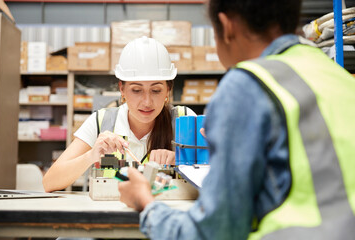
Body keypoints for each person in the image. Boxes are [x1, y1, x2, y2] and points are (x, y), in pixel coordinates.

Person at [118, 0, 355, 239]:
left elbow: (211, 232)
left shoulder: (247, 85)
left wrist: (146, 204)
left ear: (226, 26)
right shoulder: (338, 76)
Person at [43, 37, 196, 193]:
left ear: (167, 90)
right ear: (122, 89)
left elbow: (214, 177)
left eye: (156, 90)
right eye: (136, 90)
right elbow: (50, 182)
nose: (147, 102)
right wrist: (91, 156)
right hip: (111, 214)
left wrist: (181, 160)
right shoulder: (102, 121)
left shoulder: (184, 120)